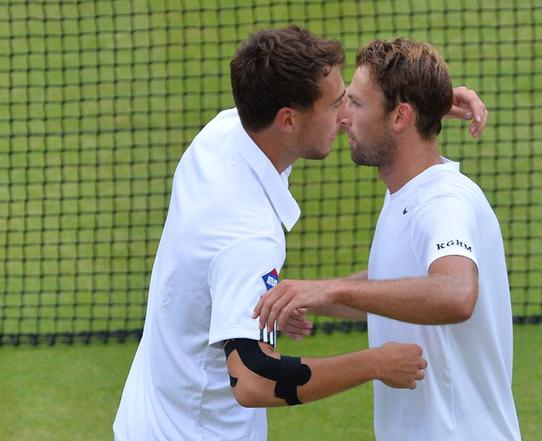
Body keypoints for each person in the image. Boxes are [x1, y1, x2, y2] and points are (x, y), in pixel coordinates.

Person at [114, 26, 487, 440]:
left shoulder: (224, 133)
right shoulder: (248, 238)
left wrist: (420, 105)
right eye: (335, 106)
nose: (346, 116)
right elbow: (254, 380)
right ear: (288, 119)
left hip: (148, 418)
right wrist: (374, 363)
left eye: (352, 101)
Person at [254, 38, 521, 440]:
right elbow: (396, 287)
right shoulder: (407, 191)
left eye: (357, 104)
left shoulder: (443, 203)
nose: (343, 117)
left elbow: (455, 293)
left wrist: (330, 288)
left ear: (400, 117)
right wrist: (316, 298)